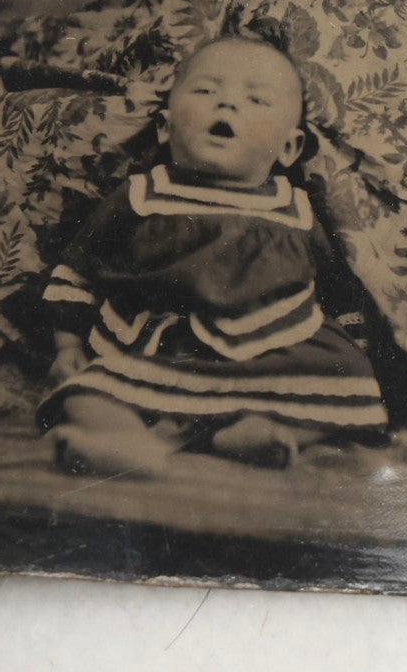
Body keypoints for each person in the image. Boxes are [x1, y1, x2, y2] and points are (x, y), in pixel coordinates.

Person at [37, 36, 387, 475]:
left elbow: (335, 288)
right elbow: (79, 269)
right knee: (85, 390)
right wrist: (66, 345)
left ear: (289, 148)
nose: (228, 106)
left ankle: (262, 433)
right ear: (165, 128)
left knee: (350, 377)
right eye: (205, 91)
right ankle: (128, 442)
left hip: (275, 344)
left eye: (256, 100)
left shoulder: (296, 208)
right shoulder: (144, 195)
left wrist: (356, 344)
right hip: (164, 344)